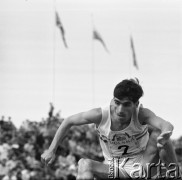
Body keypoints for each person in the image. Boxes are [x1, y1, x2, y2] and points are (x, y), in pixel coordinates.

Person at [41, 78, 178, 179]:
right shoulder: (100, 115)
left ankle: (176, 175)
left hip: (142, 168)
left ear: (136, 104)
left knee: (159, 134)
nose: (120, 110)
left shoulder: (142, 114)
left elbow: (165, 124)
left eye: (126, 105)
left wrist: (166, 133)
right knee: (84, 164)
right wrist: (51, 150)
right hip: (116, 171)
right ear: (112, 99)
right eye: (117, 103)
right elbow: (68, 121)